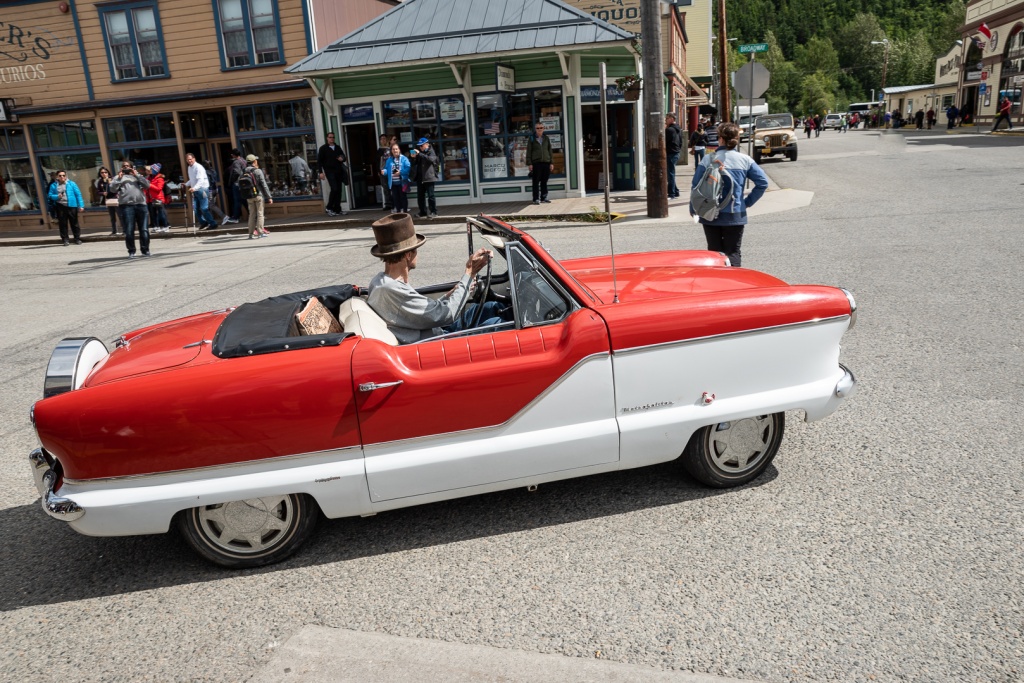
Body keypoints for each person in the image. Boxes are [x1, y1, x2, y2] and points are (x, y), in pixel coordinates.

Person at [366, 213, 511, 344]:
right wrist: (469, 273)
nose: (418, 255)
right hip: (438, 343)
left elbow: (424, 312)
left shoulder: (381, 281)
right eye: (416, 250)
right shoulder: (391, 289)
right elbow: (448, 314)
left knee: (491, 308)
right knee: (499, 323)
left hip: (436, 332)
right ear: (408, 255)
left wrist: (455, 291)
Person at [688, 122, 768, 268]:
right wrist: (747, 202)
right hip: (735, 212)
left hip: (710, 213)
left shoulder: (708, 160)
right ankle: (734, 284)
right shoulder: (745, 160)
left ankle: (718, 284)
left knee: (714, 253)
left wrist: (694, 208)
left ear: (720, 139)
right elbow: (762, 183)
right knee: (733, 252)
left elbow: (696, 186)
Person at [110, 161, 152, 258]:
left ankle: (145, 250)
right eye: (124, 166)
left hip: (141, 205)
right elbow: (112, 189)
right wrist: (119, 179)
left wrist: (136, 175)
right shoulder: (118, 177)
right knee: (129, 230)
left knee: (144, 229)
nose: (126, 168)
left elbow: (147, 185)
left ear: (132, 167)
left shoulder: (138, 176)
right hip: (126, 206)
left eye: (127, 166)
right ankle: (131, 251)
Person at [47, 170, 85, 246]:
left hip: (72, 206)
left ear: (66, 176)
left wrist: (81, 205)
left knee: (74, 223)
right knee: (63, 224)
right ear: (57, 176)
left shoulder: (71, 184)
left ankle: (77, 238)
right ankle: (65, 240)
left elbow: (78, 195)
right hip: (60, 206)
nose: (62, 177)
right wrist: (57, 196)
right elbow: (50, 195)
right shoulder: (53, 185)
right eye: (60, 175)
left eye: (63, 175)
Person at [242, 154, 273, 239]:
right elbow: (264, 184)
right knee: (260, 214)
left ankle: (251, 233)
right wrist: (269, 196)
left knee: (251, 215)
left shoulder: (244, 171)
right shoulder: (257, 171)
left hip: (249, 196)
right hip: (258, 195)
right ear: (254, 161)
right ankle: (260, 232)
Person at [317, 132, 348, 216]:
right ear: (327, 138)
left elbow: (344, 157)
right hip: (329, 171)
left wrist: (342, 158)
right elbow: (319, 161)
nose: (332, 139)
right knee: (334, 189)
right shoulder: (323, 148)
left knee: (339, 190)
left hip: (338, 171)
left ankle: (337, 209)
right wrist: (320, 172)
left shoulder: (337, 147)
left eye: (333, 137)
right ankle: (329, 207)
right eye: (330, 137)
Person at [184, 153, 217, 229]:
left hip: (203, 190)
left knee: (204, 208)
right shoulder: (189, 168)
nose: (189, 161)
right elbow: (193, 179)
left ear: (194, 159)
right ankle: (203, 222)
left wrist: (194, 188)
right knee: (195, 208)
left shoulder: (198, 167)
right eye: (188, 160)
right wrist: (185, 184)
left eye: (190, 159)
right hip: (196, 190)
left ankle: (213, 223)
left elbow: (200, 180)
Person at [526, 122, 553, 204]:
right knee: (536, 182)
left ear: (543, 128)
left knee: (544, 181)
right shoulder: (531, 138)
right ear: (535, 129)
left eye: (541, 128)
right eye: (537, 128)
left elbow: (550, 151)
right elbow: (529, 151)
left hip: (546, 162)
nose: (539, 129)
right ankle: (536, 199)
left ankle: (543, 198)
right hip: (536, 163)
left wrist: (551, 163)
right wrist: (530, 163)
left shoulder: (546, 138)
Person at [412, 137, 439, 218]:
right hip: (420, 177)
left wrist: (419, 154)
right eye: (419, 146)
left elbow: (430, 159)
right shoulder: (420, 153)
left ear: (427, 144)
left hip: (429, 177)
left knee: (431, 196)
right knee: (420, 196)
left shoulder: (431, 151)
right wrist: (414, 157)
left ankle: (433, 212)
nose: (420, 147)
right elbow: (415, 163)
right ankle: (422, 211)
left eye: (421, 146)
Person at [381, 143, 410, 214]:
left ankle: (405, 212)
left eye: (396, 149)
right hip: (393, 182)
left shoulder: (404, 158)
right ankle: (398, 212)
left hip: (403, 182)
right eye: (393, 149)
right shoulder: (389, 160)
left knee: (403, 197)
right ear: (391, 151)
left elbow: (408, 168)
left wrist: (400, 172)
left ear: (399, 150)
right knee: (395, 198)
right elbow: (386, 169)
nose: (395, 150)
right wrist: (384, 172)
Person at [95, 167, 121, 236]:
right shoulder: (100, 181)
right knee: (112, 216)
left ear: (108, 173)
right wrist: (102, 193)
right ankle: (114, 231)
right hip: (108, 200)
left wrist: (110, 184)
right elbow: (98, 191)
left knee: (120, 215)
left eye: (105, 172)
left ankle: (125, 230)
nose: (104, 174)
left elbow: (117, 188)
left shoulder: (112, 179)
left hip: (115, 198)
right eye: (102, 173)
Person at [145, 163, 170, 233]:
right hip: (151, 198)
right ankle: (156, 226)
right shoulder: (149, 177)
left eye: (151, 170)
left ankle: (165, 226)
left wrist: (149, 185)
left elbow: (159, 188)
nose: (150, 171)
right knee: (153, 214)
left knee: (161, 213)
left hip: (158, 198)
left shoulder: (160, 178)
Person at [224, 148, 246, 224]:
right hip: (244, 183)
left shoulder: (236, 162)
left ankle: (236, 217)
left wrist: (233, 180)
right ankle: (254, 215)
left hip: (237, 184)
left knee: (237, 201)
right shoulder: (243, 160)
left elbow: (236, 172)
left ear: (233, 155)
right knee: (243, 200)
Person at [664, 114, 683, 199]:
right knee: (671, 173)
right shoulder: (678, 129)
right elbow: (681, 142)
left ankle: (671, 194)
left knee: (670, 174)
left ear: (671, 119)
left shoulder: (669, 130)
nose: (665, 120)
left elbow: (664, 141)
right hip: (676, 152)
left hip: (671, 153)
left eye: (667, 118)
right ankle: (676, 192)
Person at [376, 134, 392, 210]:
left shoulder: (390, 149)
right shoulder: (379, 150)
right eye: (382, 139)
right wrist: (378, 171)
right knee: (385, 188)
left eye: (385, 139)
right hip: (382, 171)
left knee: (392, 187)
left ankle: (394, 203)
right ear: (380, 141)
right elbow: (376, 162)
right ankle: (388, 204)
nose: (383, 140)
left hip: (391, 170)